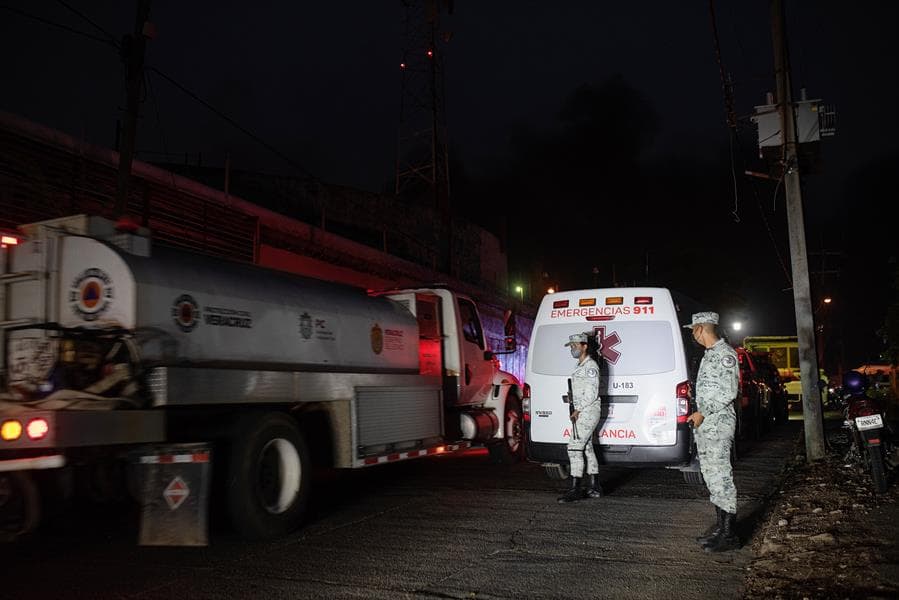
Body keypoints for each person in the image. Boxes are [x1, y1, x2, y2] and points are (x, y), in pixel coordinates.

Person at [684, 311, 740, 552]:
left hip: (718, 423)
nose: (693, 335)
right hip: (707, 424)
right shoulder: (709, 355)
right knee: (711, 476)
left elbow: (728, 392)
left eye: (693, 330)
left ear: (700, 329)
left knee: (721, 477)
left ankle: (730, 535)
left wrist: (702, 412)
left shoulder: (725, 354)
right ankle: (721, 529)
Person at [558, 332, 603, 503]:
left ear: (585, 346)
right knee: (588, 448)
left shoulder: (590, 366)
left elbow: (591, 393)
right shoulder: (581, 365)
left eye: (575, 345)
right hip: (583, 410)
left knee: (574, 447)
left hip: (587, 411)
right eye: (571, 346)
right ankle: (594, 487)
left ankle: (575, 488)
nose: (573, 349)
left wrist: (578, 408)